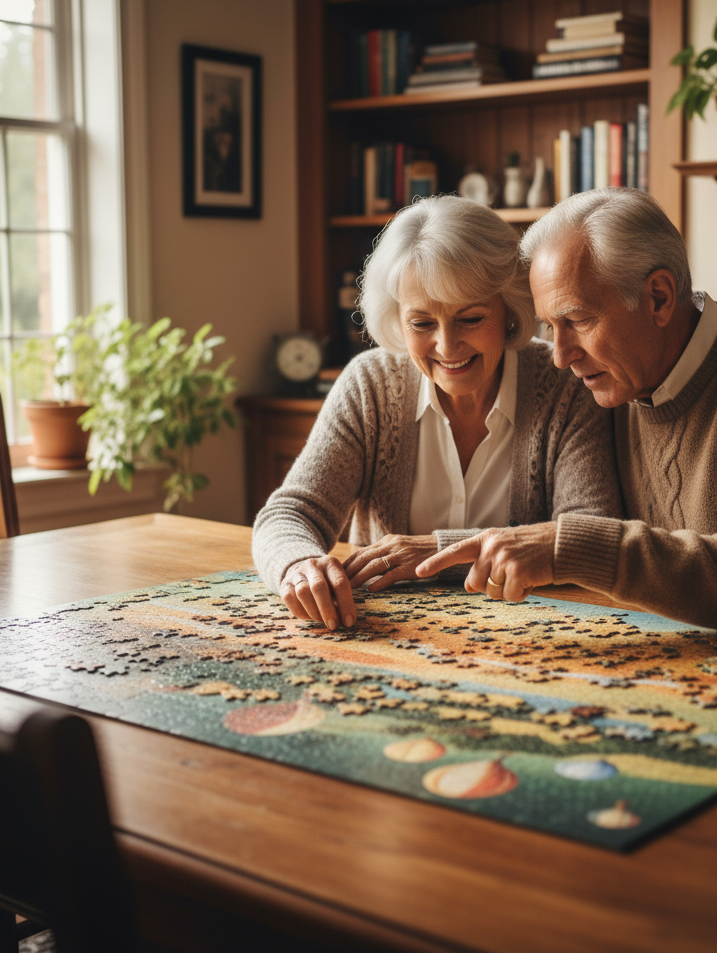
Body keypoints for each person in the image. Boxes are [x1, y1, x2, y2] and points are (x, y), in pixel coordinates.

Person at [418, 187, 717, 634]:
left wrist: (572, 548)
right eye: (549, 326)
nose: (561, 355)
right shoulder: (612, 385)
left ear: (659, 297)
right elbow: (553, 537)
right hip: (694, 658)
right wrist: (435, 551)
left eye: (578, 320)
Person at [252, 194, 623, 630]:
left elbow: (591, 532)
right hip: (384, 640)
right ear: (397, 318)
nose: (446, 347)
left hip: (532, 640)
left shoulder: (563, 382)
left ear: (508, 310)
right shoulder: (369, 384)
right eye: (422, 324)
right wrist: (298, 565)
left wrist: (432, 552)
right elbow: (290, 512)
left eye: (469, 319)